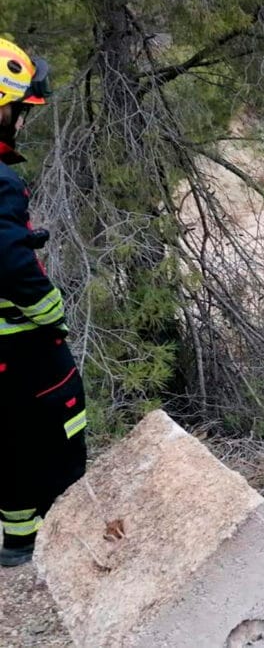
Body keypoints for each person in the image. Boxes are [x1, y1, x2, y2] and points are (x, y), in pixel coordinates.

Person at [0, 39, 87, 568]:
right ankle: (66, 542)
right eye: (20, 109)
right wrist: (48, 307)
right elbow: (6, 259)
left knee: (6, 441)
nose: (23, 121)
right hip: (20, 349)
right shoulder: (0, 181)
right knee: (58, 427)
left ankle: (18, 544)